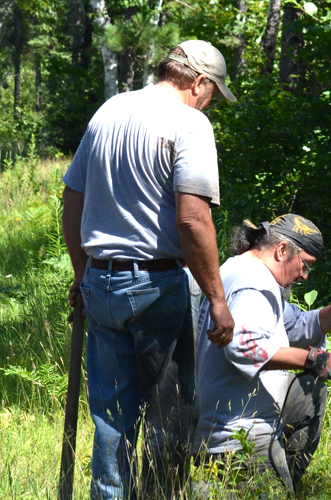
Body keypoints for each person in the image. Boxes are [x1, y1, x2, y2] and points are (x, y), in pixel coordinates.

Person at [62, 40, 237, 500]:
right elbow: (192, 219)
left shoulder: (110, 111)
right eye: (212, 93)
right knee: (169, 416)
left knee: (110, 418)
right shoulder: (189, 122)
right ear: (198, 82)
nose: (210, 103)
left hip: (100, 281)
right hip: (155, 285)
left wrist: (83, 275)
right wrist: (218, 300)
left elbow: (72, 200)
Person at [192, 213, 331, 495]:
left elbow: (296, 325)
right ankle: (276, 482)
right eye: (305, 265)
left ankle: (284, 477)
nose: (304, 275)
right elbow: (243, 347)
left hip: (232, 428)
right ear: (282, 250)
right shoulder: (254, 284)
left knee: (310, 392)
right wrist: (311, 359)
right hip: (238, 439)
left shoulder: (244, 270)